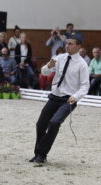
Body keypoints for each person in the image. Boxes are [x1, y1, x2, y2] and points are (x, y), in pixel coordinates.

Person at [30, 32, 90, 164]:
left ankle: (41, 153)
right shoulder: (59, 57)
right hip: (54, 97)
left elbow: (85, 86)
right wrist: (49, 66)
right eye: (66, 43)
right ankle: (38, 155)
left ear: (78, 46)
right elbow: (44, 72)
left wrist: (76, 96)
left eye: (70, 44)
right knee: (40, 124)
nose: (67, 46)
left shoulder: (82, 64)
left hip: (68, 100)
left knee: (55, 122)